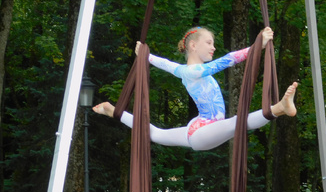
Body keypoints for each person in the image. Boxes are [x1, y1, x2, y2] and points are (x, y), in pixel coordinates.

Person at [92, 26, 298, 151]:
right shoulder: (192, 72)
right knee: (238, 122)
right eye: (209, 42)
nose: (213, 47)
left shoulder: (184, 70)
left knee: (155, 134)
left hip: (200, 127)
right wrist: (257, 45)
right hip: (202, 131)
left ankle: (114, 112)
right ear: (193, 46)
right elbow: (226, 60)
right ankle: (279, 108)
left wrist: (147, 56)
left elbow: (164, 63)